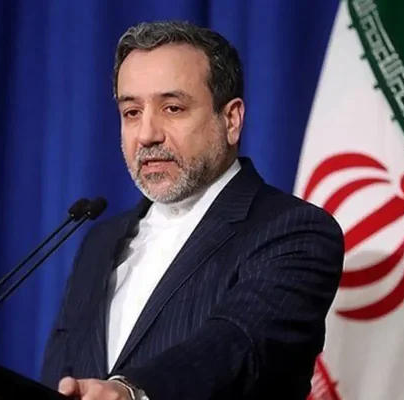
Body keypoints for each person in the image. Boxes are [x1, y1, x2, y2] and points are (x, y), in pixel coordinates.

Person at [40, 20, 344, 399]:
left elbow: (238, 344)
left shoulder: (294, 231)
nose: (147, 135)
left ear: (231, 120)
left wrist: (132, 393)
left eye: (172, 108)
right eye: (131, 112)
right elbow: (61, 375)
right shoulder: (100, 241)